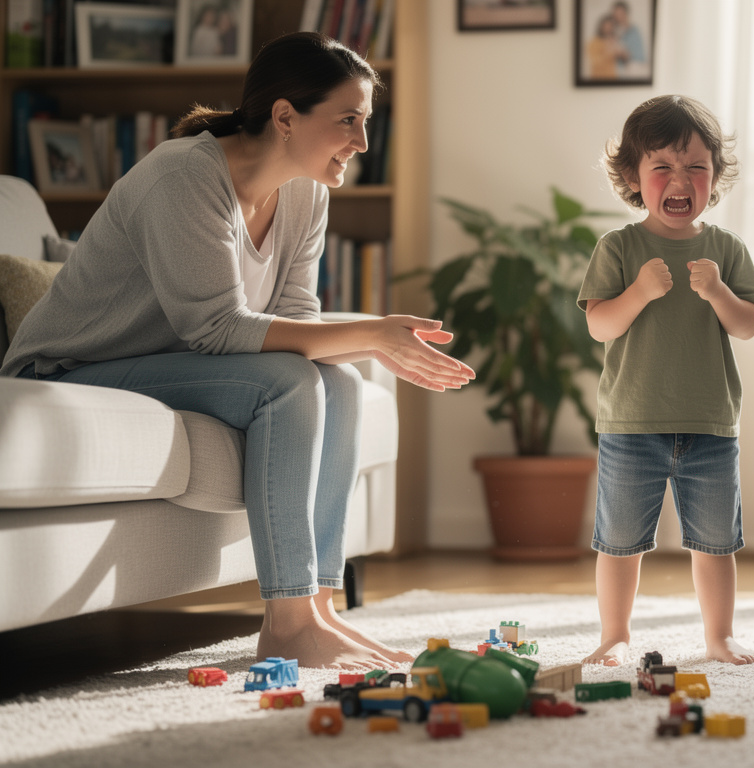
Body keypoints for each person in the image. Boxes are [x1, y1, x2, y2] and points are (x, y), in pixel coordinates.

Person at [1, 32, 475, 670]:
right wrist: (368, 333)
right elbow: (216, 328)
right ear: (285, 116)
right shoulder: (183, 177)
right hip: (68, 371)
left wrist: (363, 345)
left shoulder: (307, 192)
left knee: (338, 383)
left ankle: (319, 610)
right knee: (289, 383)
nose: (362, 142)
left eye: (366, 122)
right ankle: (287, 625)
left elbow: (296, 320)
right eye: (347, 121)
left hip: (167, 363)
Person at [578, 95, 754, 666]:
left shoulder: (726, 249)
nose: (680, 180)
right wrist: (638, 291)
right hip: (630, 425)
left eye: (696, 167)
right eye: (662, 166)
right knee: (619, 542)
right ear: (634, 177)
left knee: (716, 542)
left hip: (711, 425)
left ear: (715, 176)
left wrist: (718, 292)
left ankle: (719, 637)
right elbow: (599, 324)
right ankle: (615, 635)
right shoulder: (618, 247)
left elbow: (747, 325)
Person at [585, 14, 623, 81]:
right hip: (597, 79)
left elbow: (622, 58)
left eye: (611, 26)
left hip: (612, 78)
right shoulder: (594, 42)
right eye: (606, 25)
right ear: (601, 26)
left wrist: (621, 53)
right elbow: (594, 61)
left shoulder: (614, 41)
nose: (608, 28)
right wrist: (609, 52)